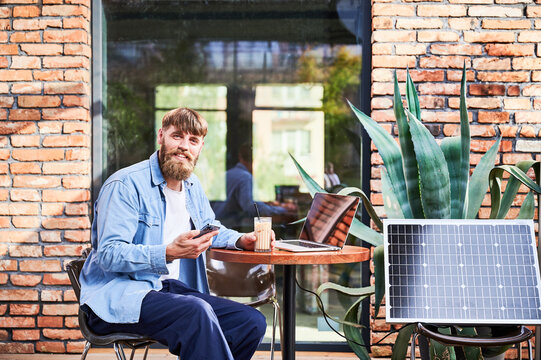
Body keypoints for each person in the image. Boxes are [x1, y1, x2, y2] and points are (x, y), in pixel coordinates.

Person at [79, 107, 275, 360]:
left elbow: (210, 227)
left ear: (200, 147)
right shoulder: (125, 185)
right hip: (118, 296)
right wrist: (168, 252)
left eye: (193, 140)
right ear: (161, 136)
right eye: (177, 136)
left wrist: (240, 239)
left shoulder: (192, 186)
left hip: (168, 290)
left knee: (250, 322)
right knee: (196, 311)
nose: (184, 146)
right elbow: (109, 254)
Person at [215, 143, 295, 231]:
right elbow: (250, 206)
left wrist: (269, 204)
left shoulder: (226, 174)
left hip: (218, 225)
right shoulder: (245, 177)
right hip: (229, 228)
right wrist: (282, 209)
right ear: (255, 159)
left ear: (240, 156)